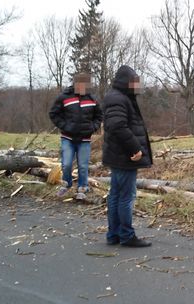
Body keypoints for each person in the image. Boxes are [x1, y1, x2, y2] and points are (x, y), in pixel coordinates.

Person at [102, 65, 153, 247]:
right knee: (125, 196)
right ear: (125, 81)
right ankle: (126, 235)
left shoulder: (119, 97)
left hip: (118, 155)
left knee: (116, 194)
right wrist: (135, 149)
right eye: (133, 82)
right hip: (124, 156)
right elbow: (117, 126)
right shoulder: (119, 99)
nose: (136, 85)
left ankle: (113, 234)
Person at [49, 73, 102, 200]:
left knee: (83, 166)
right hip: (68, 138)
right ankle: (66, 184)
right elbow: (53, 113)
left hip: (85, 139)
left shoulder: (92, 99)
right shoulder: (64, 97)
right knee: (66, 164)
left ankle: (82, 188)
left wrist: (93, 127)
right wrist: (64, 126)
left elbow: (99, 116)